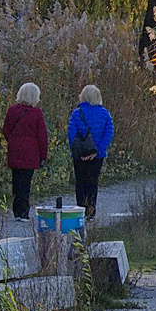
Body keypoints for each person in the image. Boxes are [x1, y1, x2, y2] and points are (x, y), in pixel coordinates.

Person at [1, 82, 49, 220]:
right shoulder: (36, 113)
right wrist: (43, 155)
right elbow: (42, 136)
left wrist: (12, 140)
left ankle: (16, 211)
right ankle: (23, 212)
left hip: (15, 149)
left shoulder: (12, 110)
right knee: (26, 181)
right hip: (31, 151)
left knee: (16, 180)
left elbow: (6, 129)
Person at [66, 84, 114, 220]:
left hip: (79, 155)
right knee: (92, 182)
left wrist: (78, 151)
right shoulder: (105, 114)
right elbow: (108, 134)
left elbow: (71, 134)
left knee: (80, 181)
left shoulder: (76, 113)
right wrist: (98, 151)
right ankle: (91, 211)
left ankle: (80, 210)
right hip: (97, 155)